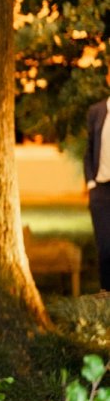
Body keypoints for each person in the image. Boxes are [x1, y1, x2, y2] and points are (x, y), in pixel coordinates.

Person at [85, 87, 110, 291]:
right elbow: (89, 150)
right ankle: (106, 290)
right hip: (100, 188)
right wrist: (91, 183)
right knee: (104, 244)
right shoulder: (96, 111)